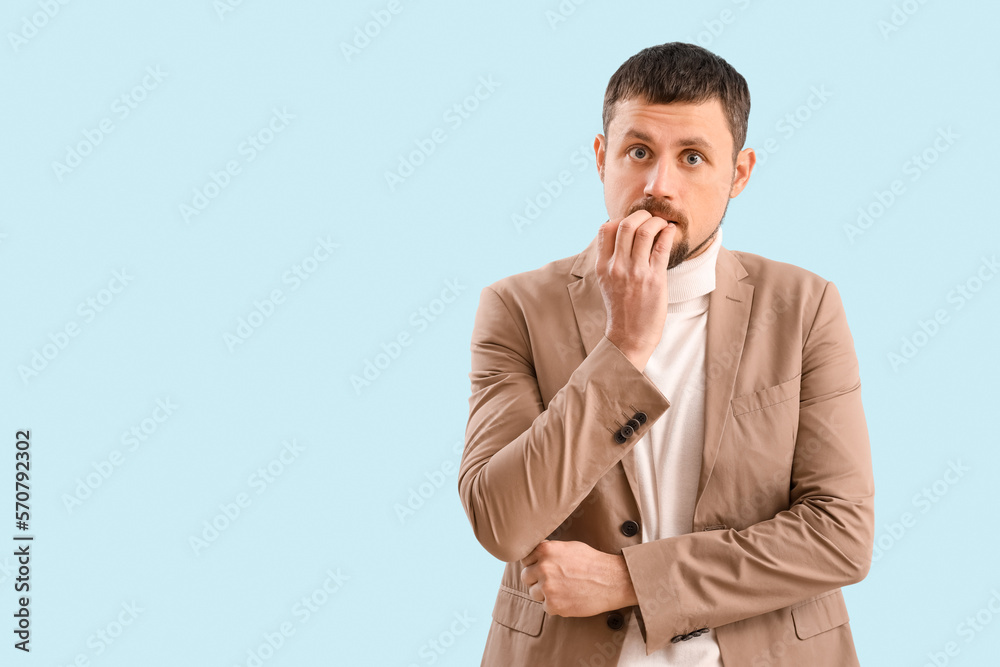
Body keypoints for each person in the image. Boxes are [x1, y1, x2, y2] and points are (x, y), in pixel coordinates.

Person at [458, 42, 874, 666]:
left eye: (693, 158)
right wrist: (624, 346)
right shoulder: (517, 307)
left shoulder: (805, 306)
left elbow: (840, 535)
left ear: (740, 173)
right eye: (639, 152)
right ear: (602, 158)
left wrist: (632, 582)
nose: (659, 185)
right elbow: (502, 520)